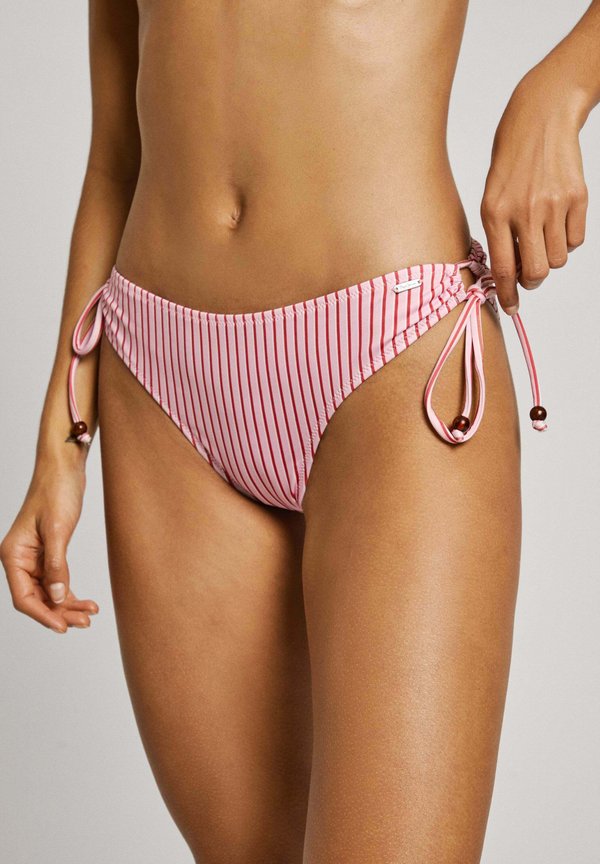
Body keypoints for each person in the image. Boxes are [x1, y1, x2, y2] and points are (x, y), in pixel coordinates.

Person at [1, 2, 598, 861]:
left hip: (391, 358)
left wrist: (564, 86)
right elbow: (115, 155)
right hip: (160, 382)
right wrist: (61, 444)